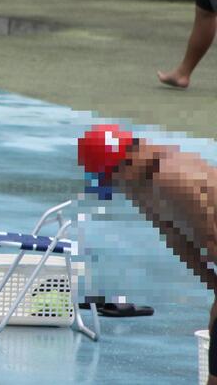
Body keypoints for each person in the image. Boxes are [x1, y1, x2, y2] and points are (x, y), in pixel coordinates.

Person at [78, 124, 217, 383]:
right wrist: (213, 285)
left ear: (126, 164)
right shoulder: (141, 182)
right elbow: (176, 238)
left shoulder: (172, 178)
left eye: (113, 180)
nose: (117, 188)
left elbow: (212, 240)